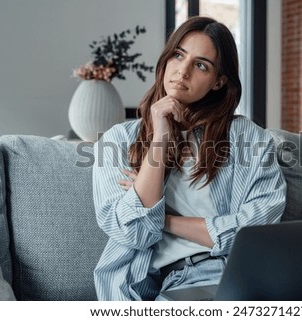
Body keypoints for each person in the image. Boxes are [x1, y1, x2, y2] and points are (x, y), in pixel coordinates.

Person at [92, 16, 286, 301]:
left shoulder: (249, 138)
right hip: (172, 282)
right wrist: (160, 135)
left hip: (240, 276)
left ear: (219, 81)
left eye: (200, 65)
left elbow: (254, 234)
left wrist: (165, 219)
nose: (182, 71)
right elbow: (133, 231)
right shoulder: (118, 141)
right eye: (178, 55)